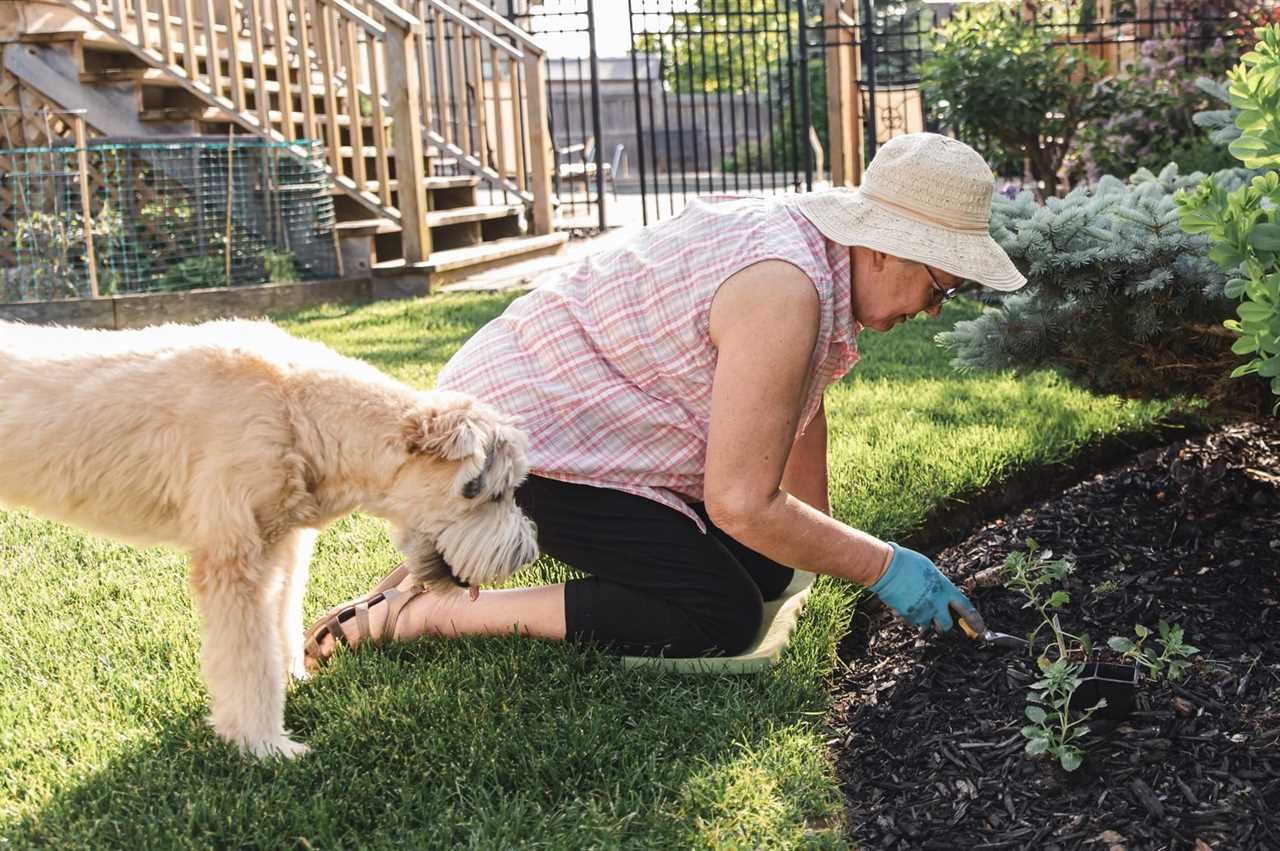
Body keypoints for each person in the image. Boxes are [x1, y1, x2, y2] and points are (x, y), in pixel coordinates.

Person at [303, 132, 1027, 666]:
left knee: (771, 564)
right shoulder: (784, 288)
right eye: (941, 288)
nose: (935, 309)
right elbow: (740, 501)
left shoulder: (810, 258)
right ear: (885, 247)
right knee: (720, 613)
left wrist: (832, 547)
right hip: (510, 446)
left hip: (517, 420)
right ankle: (425, 614)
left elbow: (798, 414)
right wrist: (885, 565)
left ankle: (418, 572)